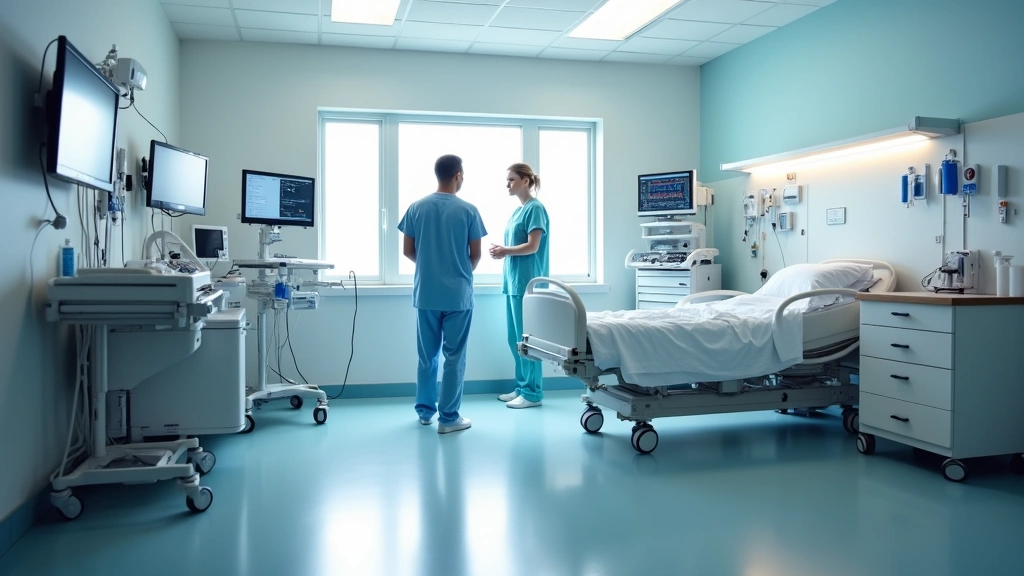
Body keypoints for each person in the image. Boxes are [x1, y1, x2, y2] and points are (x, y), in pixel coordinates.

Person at [397, 154, 487, 434]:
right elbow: (475, 255)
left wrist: (431, 267)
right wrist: (456, 270)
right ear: (458, 175)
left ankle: (425, 413)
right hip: (458, 296)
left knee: (427, 357)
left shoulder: (416, 208)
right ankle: (448, 419)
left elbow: (408, 251)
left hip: (427, 294)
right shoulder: (469, 210)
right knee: (454, 357)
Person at [489, 163, 549, 409]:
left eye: (511, 179)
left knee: (529, 341)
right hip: (513, 283)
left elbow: (533, 246)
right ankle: (522, 387)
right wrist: (502, 251)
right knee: (515, 340)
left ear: (525, 181)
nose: (508, 184)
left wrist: (505, 251)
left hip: (528, 284)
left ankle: (532, 393)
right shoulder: (518, 211)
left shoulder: (535, 209)